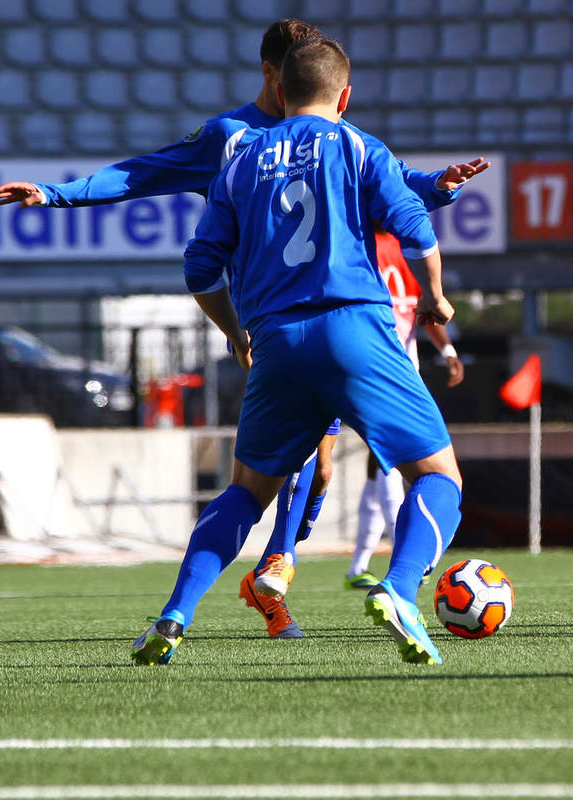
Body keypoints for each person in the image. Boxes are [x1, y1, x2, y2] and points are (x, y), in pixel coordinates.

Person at [0, 18, 489, 640]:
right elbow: (145, 172)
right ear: (277, 76)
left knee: (301, 469)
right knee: (397, 468)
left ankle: (247, 576)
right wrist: (58, 194)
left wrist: (434, 186)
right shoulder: (243, 137)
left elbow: (390, 192)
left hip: (275, 328)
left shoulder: (273, 149)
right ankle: (318, 571)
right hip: (344, 323)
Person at [131, 34, 462, 667]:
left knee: (246, 492)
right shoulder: (360, 145)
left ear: (279, 92)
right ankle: (399, 590)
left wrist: (236, 330)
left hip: (276, 341)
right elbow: (417, 230)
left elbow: (200, 268)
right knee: (438, 475)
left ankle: (175, 614)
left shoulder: (242, 156)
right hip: (353, 328)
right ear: (345, 95)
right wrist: (435, 297)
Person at [344, 231, 465, 590]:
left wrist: (448, 351)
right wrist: (448, 353)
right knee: (399, 462)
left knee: (379, 462)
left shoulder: (394, 249)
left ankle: (360, 562)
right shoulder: (363, 241)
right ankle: (406, 558)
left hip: (393, 369)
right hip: (377, 366)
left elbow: (422, 309)